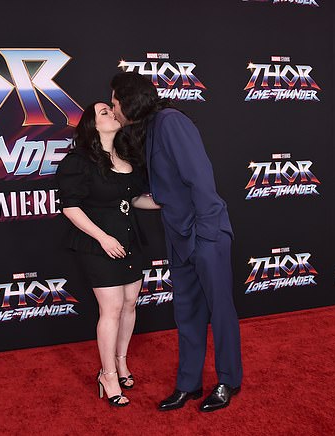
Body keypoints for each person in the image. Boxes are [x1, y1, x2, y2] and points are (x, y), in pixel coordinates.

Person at [110, 72, 243, 412]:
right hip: (178, 236)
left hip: (204, 233)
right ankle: (189, 384)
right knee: (186, 313)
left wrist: (207, 234)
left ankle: (229, 380)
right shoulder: (146, 131)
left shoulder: (170, 122)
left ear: (129, 101)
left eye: (114, 102)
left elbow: (201, 179)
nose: (112, 108)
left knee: (220, 311)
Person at [55, 101, 160, 407]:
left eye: (111, 110)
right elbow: (70, 207)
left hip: (130, 241)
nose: (111, 113)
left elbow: (134, 199)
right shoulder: (78, 162)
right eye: (104, 112)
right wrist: (103, 238)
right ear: (91, 125)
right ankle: (108, 375)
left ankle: (122, 361)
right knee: (111, 309)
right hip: (98, 246)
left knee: (129, 304)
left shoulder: (127, 156)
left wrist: (168, 203)